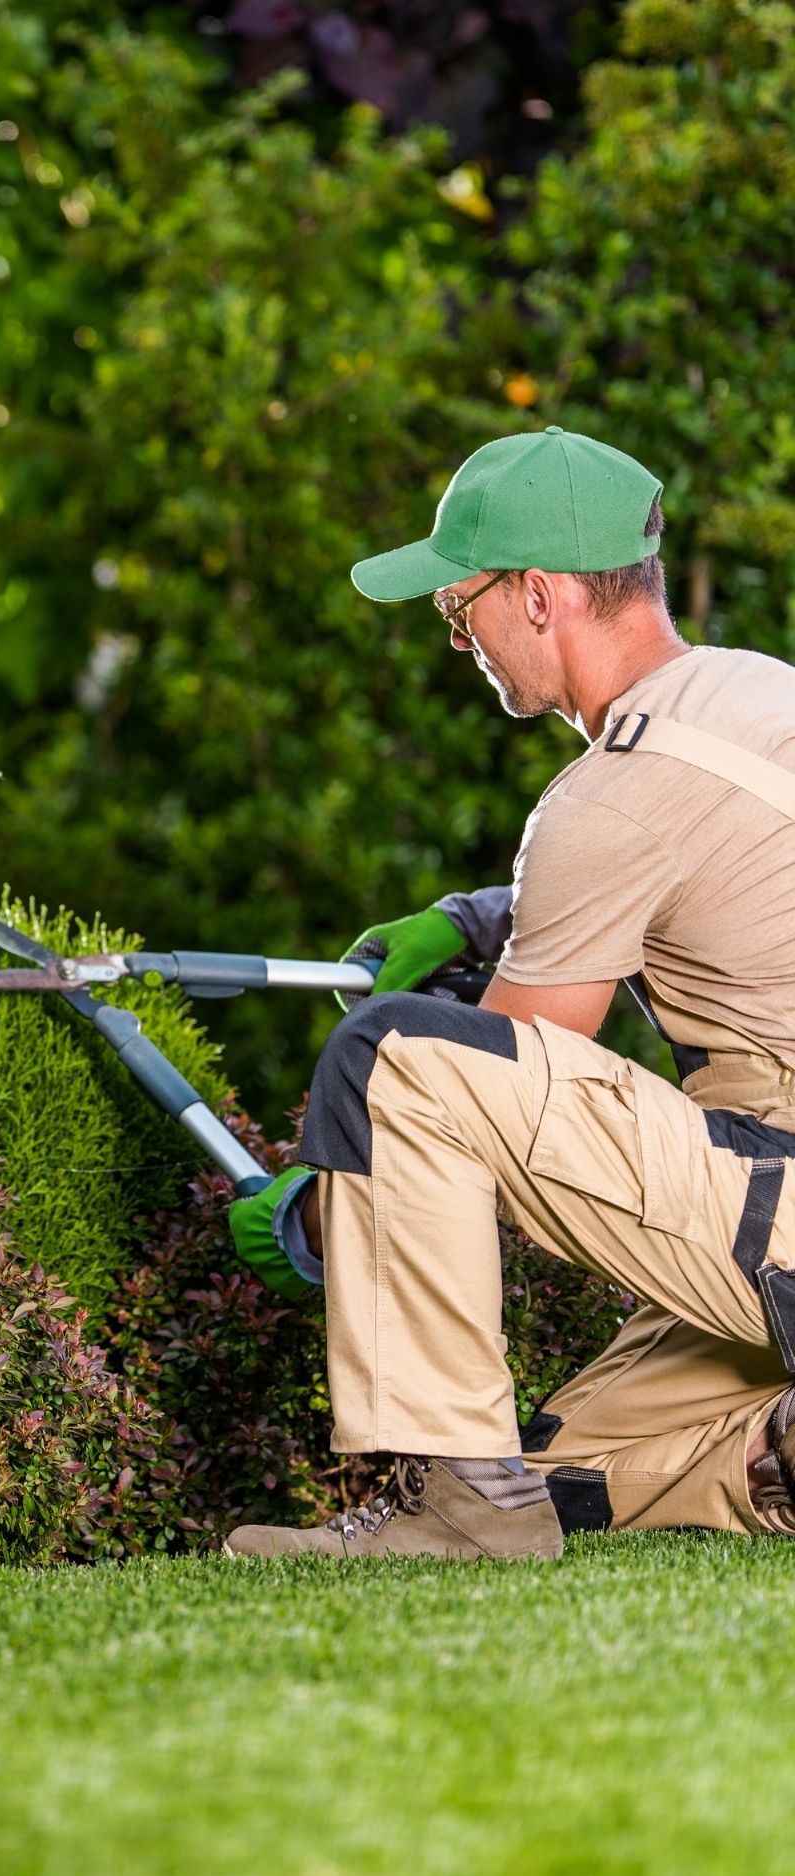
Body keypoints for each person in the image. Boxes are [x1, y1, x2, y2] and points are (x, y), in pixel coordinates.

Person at [225, 424, 795, 1562]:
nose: (454, 633)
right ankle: (772, 1456)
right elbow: (700, 872)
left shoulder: (612, 794)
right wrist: (485, 916)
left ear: (540, 597)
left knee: (395, 1059)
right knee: (557, 1463)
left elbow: (501, 1093)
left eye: (460, 601)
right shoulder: (752, 694)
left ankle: (467, 1517)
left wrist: (325, 1209)